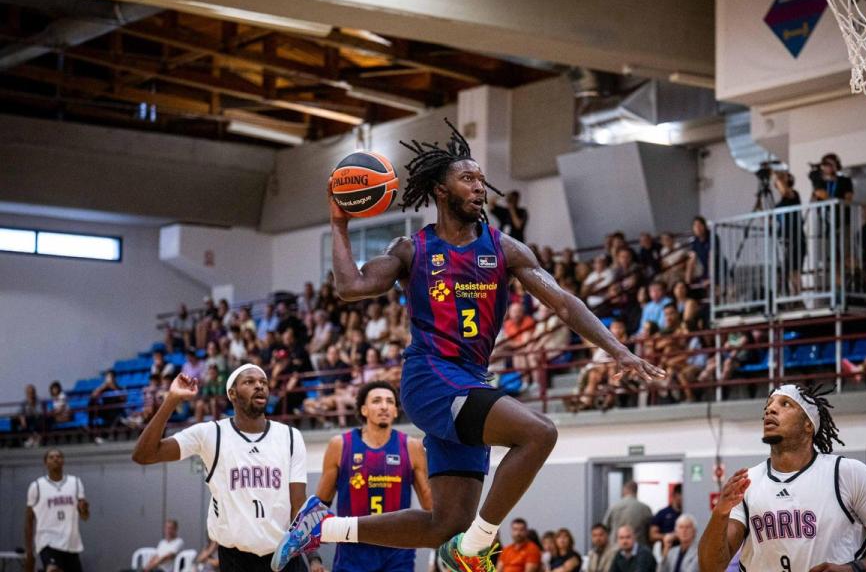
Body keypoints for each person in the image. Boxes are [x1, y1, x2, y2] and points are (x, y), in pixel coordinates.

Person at [274, 119, 663, 572]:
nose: (480, 187)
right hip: (430, 377)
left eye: (481, 179)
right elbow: (350, 287)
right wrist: (339, 223)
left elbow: (563, 302)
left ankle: (322, 527)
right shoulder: (412, 249)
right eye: (468, 178)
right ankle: (474, 548)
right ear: (441, 190)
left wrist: (617, 348)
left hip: (470, 381)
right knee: (539, 433)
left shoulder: (504, 248)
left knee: (444, 524)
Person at [697, 384, 866, 572]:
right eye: (768, 405)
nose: (770, 409)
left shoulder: (846, 473)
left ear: (808, 425)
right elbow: (711, 567)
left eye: (785, 404)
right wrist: (720, 512)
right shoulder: (747, 482)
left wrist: (853, 570)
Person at [132, 366, 309, 571]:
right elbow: (143, 454)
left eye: (263, 382)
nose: (259, 386)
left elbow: (299, 505)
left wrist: (313, 556)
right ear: (232, 394)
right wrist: (172, 399)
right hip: (236, 560)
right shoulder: (210, 433)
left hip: (286, 556)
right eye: (249, 382)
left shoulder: (290, 436)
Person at [315, 381, 431, 572]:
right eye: (377, 401)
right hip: (352, 554)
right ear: (364, 410)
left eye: (390, 402)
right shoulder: (340, 445)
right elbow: (319, 506)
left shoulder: (412, 446)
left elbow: (431, 506)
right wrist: (313, 557)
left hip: (398, 553)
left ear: (395, 411)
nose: (384, 406)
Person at [24, 448, 90, 572]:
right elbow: (28, 520)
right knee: (53, 569)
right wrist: (29, 551)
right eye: (51, 457)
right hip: (47, 541)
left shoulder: (75, 482)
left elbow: (85, 517)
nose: (55, 459)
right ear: (45, 463)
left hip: (71, 543)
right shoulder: (36, 486)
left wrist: (85, 509)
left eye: (58, 456)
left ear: (63, 461)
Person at [773, 170, 806, 298]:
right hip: (784, 240)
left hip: (796, 238)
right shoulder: (779, 203)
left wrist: (777, 176)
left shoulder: (793, 194)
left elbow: (786, 191)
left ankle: (797, 296)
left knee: (795, 270)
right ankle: (792, 296)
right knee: (787, 271)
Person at [605, 481, 654, 547]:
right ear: (636, 491)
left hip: (616, 547)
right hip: (639, 548)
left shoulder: (614, 507)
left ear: (624, 490)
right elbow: (651, 532)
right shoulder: (645, 508)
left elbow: (605, 528)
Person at [649, 484, 683, 550]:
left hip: (688, 551)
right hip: (668, 549)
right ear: (675, 495)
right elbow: (652, 535)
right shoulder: (663, 513)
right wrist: (669, 536)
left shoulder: (688, 513)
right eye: (681, 495)